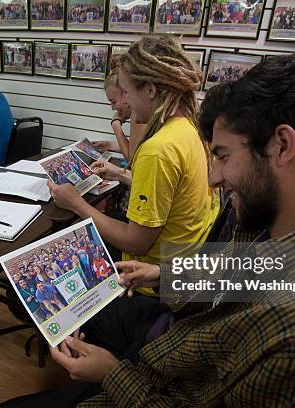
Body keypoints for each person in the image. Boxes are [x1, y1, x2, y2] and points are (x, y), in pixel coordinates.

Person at [0, 54, 295, 407]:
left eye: (224, 156)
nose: (213, 178)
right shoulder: (290, 229)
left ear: (282, 146)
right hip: (176, 349)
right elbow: (250, 271)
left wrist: (113, 374)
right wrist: (164, 273)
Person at [48, 35, 220, 276]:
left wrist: (75, 203)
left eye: (126, 92)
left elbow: (135, 243)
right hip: (180, 256)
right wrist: (122, 175)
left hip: (148, 272)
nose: (124, 101)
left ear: (150, 90)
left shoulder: (158, 149)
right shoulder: (190, 126)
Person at [92, 55, 146, 162]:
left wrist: (116, 125)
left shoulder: (138, 114)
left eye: (113, 102)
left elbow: (131, 159)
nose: (113, 108)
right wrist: (109, 145)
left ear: (125, 93)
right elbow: (138, 147)